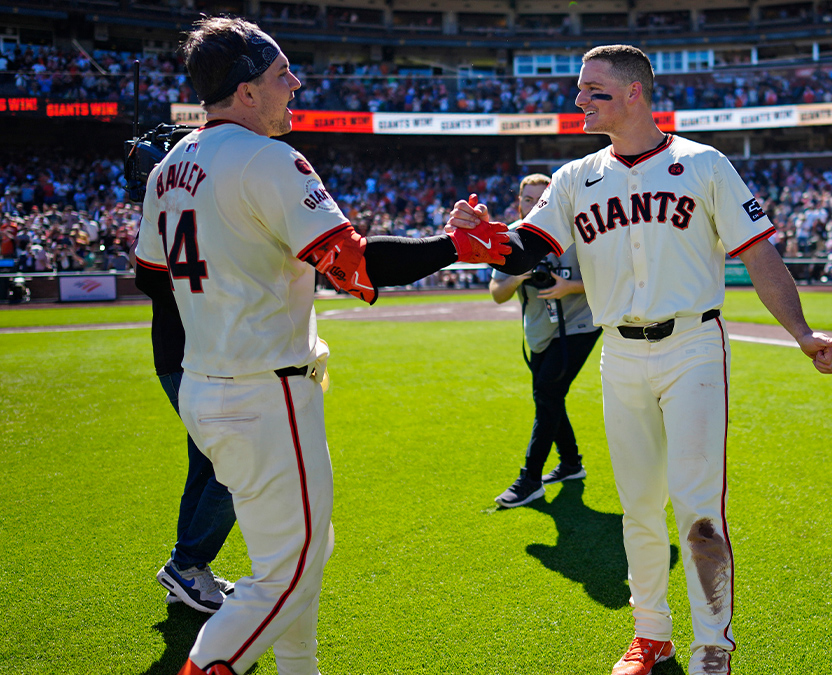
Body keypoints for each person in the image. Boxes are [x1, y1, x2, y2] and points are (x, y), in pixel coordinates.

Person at [133, 17, 509, 675]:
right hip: (265, 385)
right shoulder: (269, 158)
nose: (296, 83)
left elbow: (149, 277)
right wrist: (458, 246)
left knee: (296, 548)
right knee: (293, 563)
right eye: (282, 74)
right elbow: (352, 266)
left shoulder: (167, 166)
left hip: (208, 382)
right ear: (247, 91)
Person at [449, 45, 832, 675]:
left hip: (692, 346)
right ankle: (651, 634)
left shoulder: (703, 164)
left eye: (593, 90)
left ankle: (713, 642)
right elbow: (530, 246)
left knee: (698, 507)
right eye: (579, 89)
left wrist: (800, 332)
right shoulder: (577, 176)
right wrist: (487, 236)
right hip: (620, 353)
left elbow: (759, 253)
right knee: (638, 505)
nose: (579, 100)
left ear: (635, 94)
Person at [132, 247, 238, 615]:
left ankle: (188, 572)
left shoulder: (175, 199)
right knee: (236, 463)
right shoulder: (173, 204)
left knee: (208, 465)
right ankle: (188, 565)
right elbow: (148, 276)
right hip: (190, 353)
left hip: (194, 352)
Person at [489, 174, 601, 508]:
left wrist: (570, 287)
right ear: (518, 201)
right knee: (550, 397)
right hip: (538, 331)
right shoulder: (509, 237)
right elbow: (497, 293)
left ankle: (530, 479)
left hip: (579, 324)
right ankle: (571, 464)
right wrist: (519, 276)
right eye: (527, 199)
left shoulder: (578, 231)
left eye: (542, 198)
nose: (534, 205)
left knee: (547, 393)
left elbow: (613, 279)